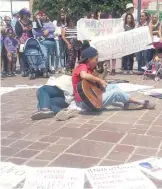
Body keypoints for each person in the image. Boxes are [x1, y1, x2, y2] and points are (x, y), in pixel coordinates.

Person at [71, 47, 156, 112]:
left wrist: (103, 75)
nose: (97, 61)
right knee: (116, 93)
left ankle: (127, 103)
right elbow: (83, 75)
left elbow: (96, 85)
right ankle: (140, 102)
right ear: (89, 59)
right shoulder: (82, 66)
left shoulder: (90, 69)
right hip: (87, 102)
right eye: (96, 59)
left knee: (113, 86)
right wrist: (99, 80)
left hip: (92, 97)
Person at [15, 8, 33, 75]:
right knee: (22, 54)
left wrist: (31, 29)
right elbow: (17, 32)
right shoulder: (18, 22)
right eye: (25, 15)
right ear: (22, 15)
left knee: (29, 54)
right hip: (21, 42)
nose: (26, 16)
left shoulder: (30, 22)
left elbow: (33, 31)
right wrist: (23, 29)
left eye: (27, 15)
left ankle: (29, 68)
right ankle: (23, 69)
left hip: (29, 41)